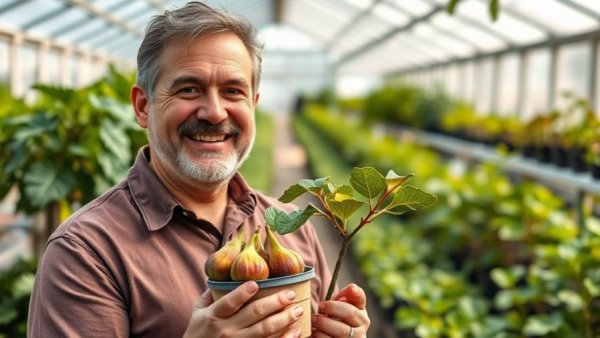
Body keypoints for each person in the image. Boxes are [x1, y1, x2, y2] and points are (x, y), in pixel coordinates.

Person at [27, 2, 370, 337]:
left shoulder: (295, 229)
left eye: (233, 91)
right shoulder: (85, 252)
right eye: (189, 89)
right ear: (143, 107)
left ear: (253, 106)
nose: (215, 112)